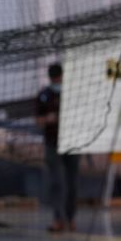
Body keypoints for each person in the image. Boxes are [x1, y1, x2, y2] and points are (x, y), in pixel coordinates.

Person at [35, 62, 79, 232]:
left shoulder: (71, 94)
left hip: (72, 142)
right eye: (54, 78)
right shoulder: (44, 95)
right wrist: (49, 119)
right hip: (52, 143)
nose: (57, 80)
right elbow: (38, 120)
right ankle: (58, 219)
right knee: (56, 182)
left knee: (72, 183)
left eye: (58, 77)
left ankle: (71, 218)